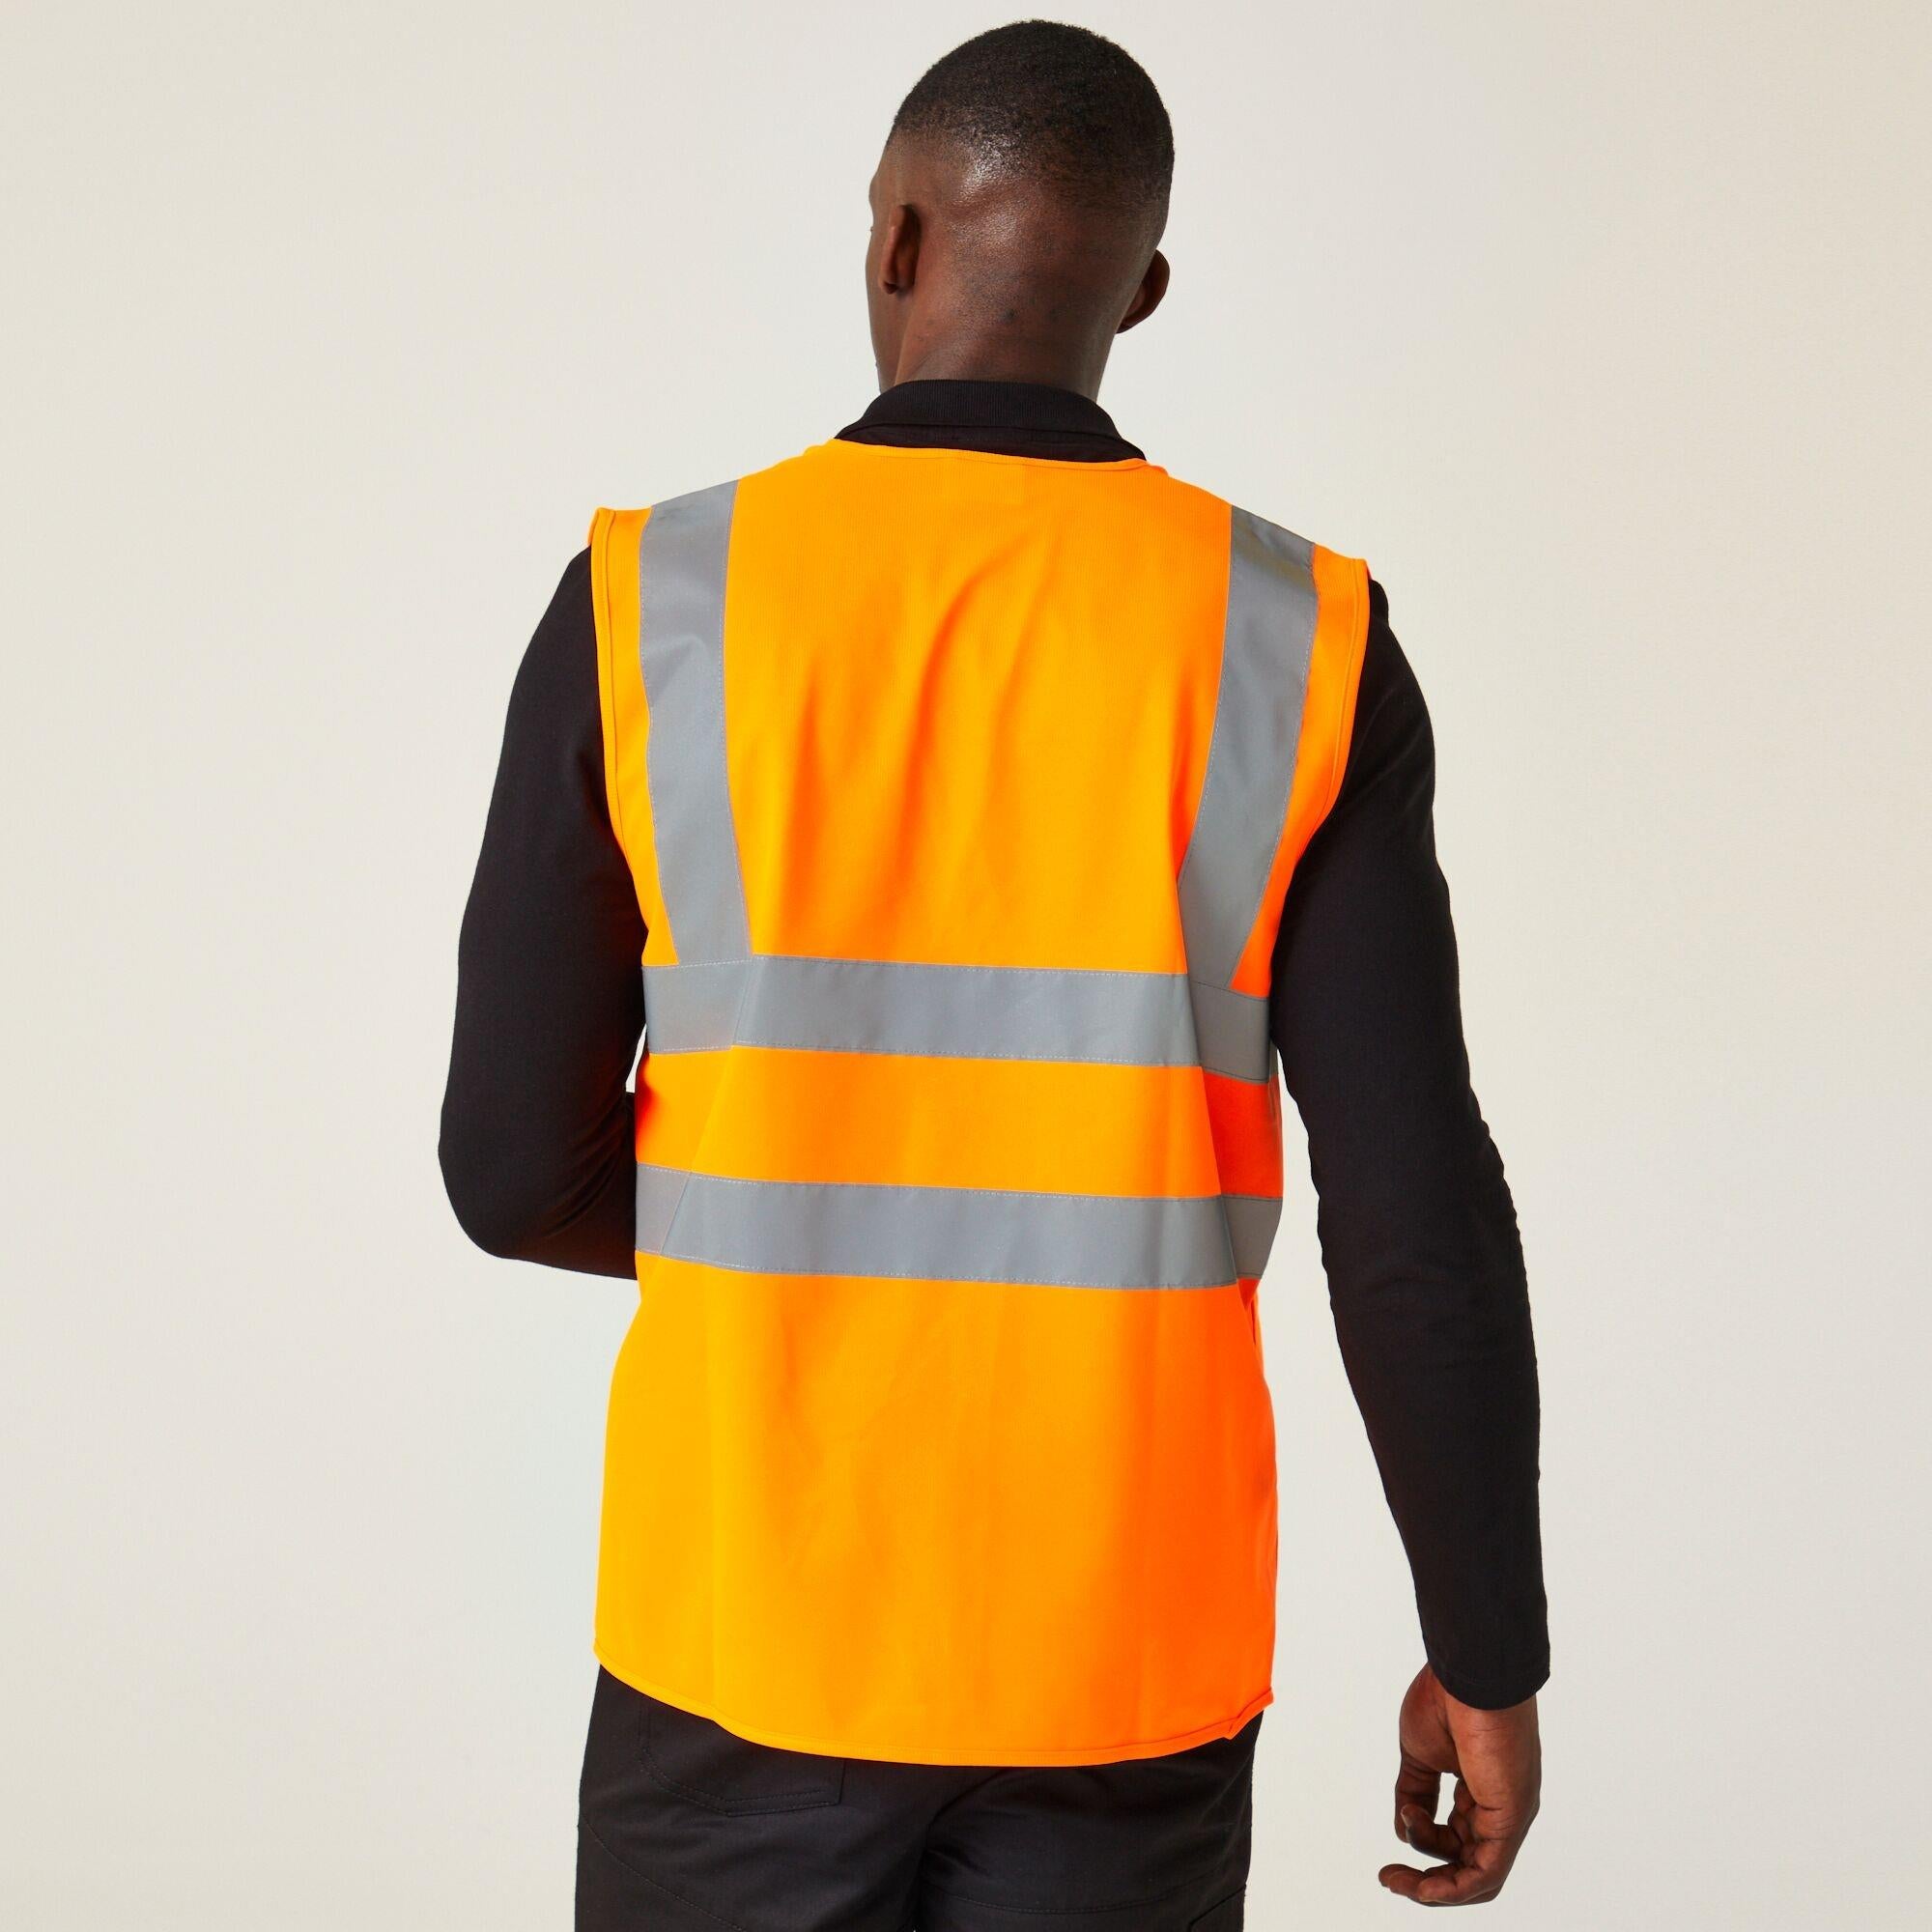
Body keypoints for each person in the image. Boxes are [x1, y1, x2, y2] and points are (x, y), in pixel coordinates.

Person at [440, 20, 1546, 1928]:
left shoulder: (655, 601)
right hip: (1122, 1656)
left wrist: (796, 1222)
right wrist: (1486, 1643)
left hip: (743, 1635)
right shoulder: (1298, 640)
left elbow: (506, 1172)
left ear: (893, 239)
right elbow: (1414, 1207)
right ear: (1144, 289)